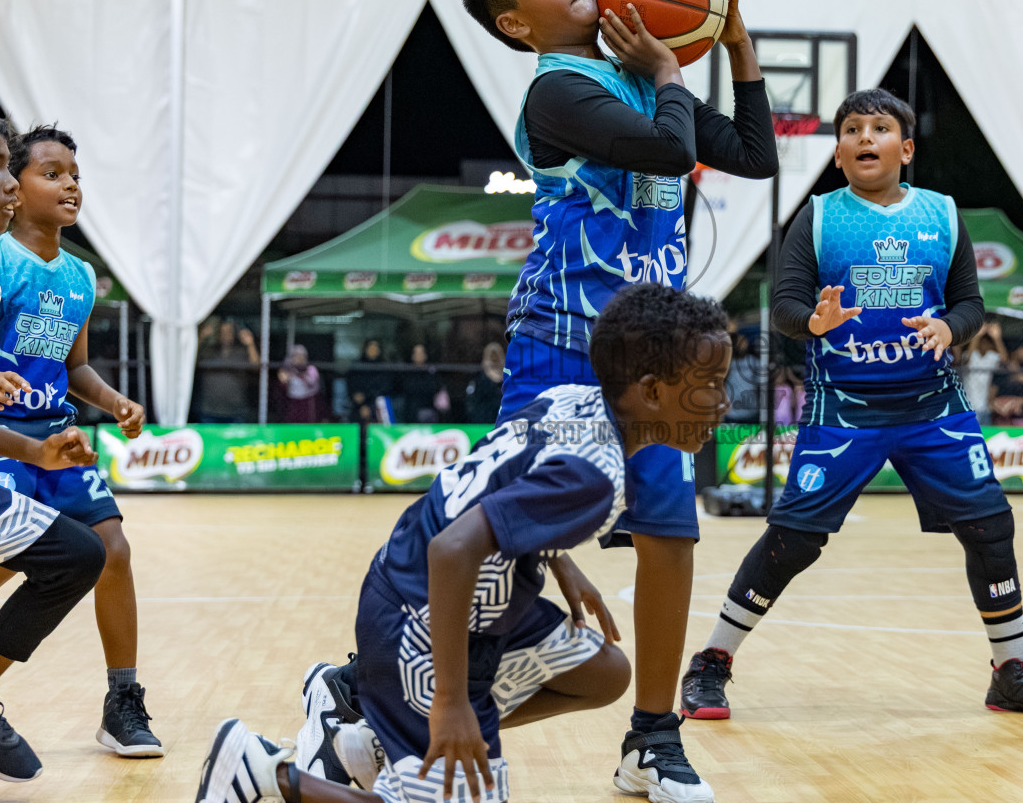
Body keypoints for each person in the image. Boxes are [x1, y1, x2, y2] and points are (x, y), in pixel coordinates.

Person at [194, 283, 734, 803]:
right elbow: (451, 551)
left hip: (435, 588)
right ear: (652, 391)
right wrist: (450, 704)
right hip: (420, 617)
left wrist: (559, 560)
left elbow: (499, 482)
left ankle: (385, 741)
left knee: (605, 673)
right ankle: (261, 769)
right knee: (452, 733)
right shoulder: (595, 476)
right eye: (712, 383)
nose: (725, 403)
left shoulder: (574, 400)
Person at [459, 0, 776, 802]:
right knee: (502, 550)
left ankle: (653, 736)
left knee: (671, 530)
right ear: (519, 24)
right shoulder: (558, 88)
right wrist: (673, 77)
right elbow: (674, 152)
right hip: (561, 339)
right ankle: (390, 695)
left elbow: (754, 155)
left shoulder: (637, 79)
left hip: (653, 354)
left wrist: (736, 46)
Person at [681, 89, 1023, 729]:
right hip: (844, 407)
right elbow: (784, 306)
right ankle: (712, 663)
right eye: (851, 129)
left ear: (906, 147)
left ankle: (1012, 670)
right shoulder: (815, 218)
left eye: (880, 126)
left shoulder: (944, 215)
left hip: (933, 406)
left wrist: (953, 329)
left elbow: (970, 304)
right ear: (839, 155)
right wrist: (811, 320)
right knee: (794, 538)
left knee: (989, 527)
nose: (865, 136)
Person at [0, 125, 160, 759]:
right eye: (54, 173)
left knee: (113, 550)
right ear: (15, 190)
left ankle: (122, 698)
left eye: (76, 175)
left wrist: (113, 401)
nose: (71, 184)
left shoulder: (80, 275)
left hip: (55, 433)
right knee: (0, 550)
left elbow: (74, 367)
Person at [199, 318, 260, 424]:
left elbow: (256, 367)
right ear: (217, 334)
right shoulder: (208, 350)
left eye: (229, 332)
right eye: (222, 332)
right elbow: (188, 361)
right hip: (209, 410)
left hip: (235, 411)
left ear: (234, 334)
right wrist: (201, 338)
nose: (225, 335)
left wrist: (250, 344)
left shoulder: (241, 351)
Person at [960, 321, 1006, 427]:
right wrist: (977, 336)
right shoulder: (972, 355)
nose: (985, 344)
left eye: (987, 342)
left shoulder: (991, 357)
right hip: (968, 405)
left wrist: (997, 338)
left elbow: (1004, 359)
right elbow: (968, 360)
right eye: (982, 341)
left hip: (984, 406)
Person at [347, 340, 396, 423]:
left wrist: (371, 404)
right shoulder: (357, 366)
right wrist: (361, 404)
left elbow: (385, 388)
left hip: (378, 403)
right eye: (370, 347)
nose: (373, 350)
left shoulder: (384, 367)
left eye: (375, 348)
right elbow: (353, 386)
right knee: (357, 417)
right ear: (365, 349)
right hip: (359, 405)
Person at [989, 345, 1023, 426]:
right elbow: (992, 393)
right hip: (1001, 413)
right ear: (1014, 352)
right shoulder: (1001, 370)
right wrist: (996, 404)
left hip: (1022, 413)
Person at [402, 344, 446, 424]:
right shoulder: (407, 372)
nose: (419, 355)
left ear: (425, 355)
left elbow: (435, 388)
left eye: (421, 353)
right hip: (411, 409)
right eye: (416, 353)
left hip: (428, 407)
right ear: (413, 356)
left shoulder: (431, 372)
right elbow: (407, 388)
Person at [462, 342, 504, 424]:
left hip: (503, 423)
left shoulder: (508, 381)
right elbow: (471, 405)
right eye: (491, 358)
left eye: (496, 358)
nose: (493, 362)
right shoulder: (477, 381)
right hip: (482, 424)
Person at [278, 345, 321, 423]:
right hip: (292, 404)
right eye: (296, 356)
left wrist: (300, 374)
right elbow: (282, 387)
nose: (299, 359)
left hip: (308, 404)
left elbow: (311, 383)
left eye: (302, 357)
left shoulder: (311, 369)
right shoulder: (288, 370)